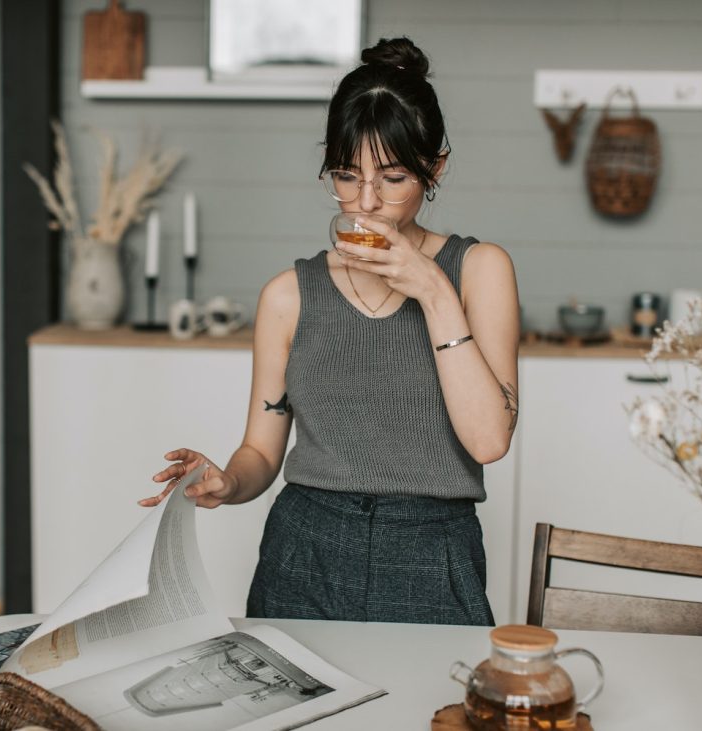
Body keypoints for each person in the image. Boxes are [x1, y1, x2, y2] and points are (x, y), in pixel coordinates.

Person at [140, 37, 520, 626]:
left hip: (433, 549)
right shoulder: (287, 296)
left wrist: (433, 289)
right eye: (346, 176)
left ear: (435, 167)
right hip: (303, 547)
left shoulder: (479, 272)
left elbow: (490, 441)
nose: (366, 202)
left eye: (393, 178)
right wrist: (226, 481)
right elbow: (262, 452)